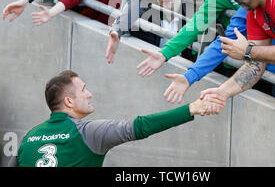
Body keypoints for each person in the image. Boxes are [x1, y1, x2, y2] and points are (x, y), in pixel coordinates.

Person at [8, 70, 217, 167]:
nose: (89, 94)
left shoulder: (29, 137)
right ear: (69, 102)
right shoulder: (89, 132)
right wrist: (192, 108)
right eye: (84, 90)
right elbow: (141, 126)